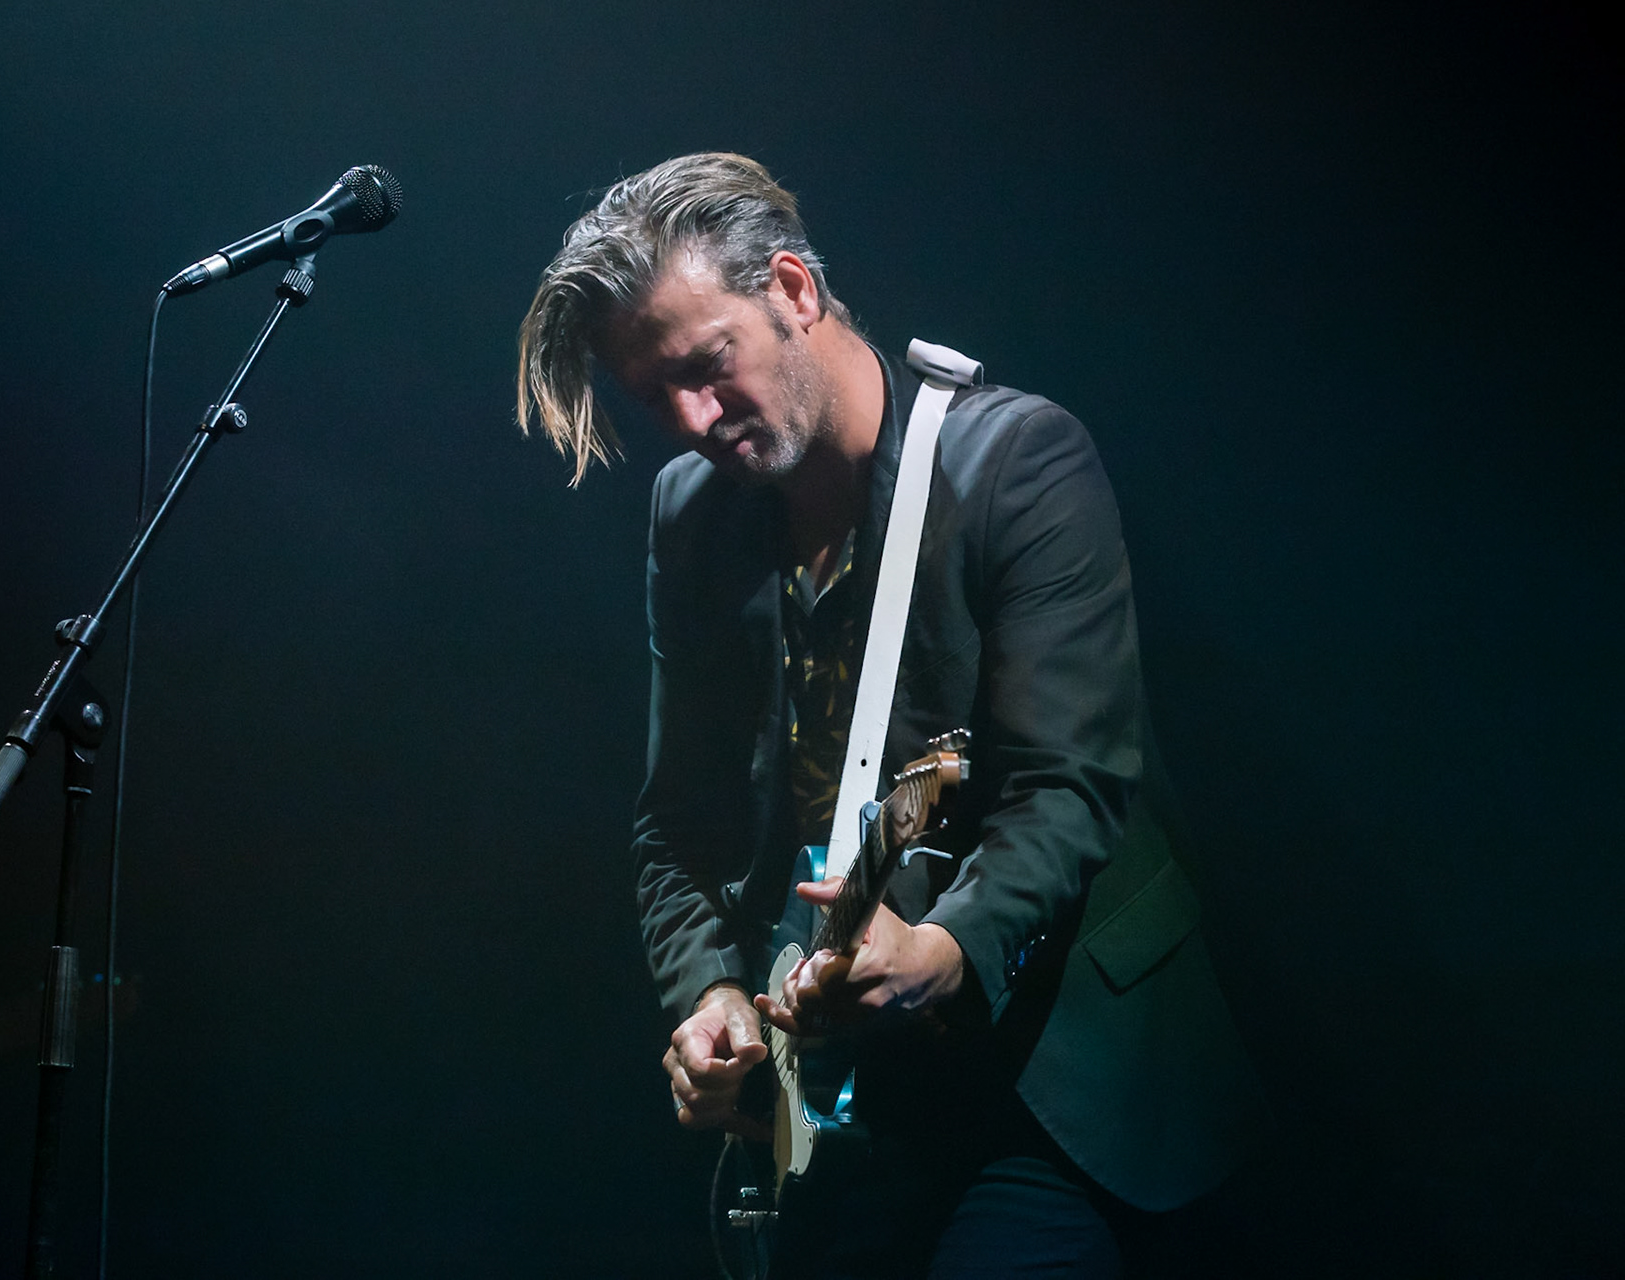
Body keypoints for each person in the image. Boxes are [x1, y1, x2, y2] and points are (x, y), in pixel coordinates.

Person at [517, 153, 1263, 1277]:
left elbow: (1071, 783)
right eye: (651, 395)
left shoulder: (1016, 460)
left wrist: (947, 945)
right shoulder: (692, 516)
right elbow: (678, 825)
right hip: (847, 1105)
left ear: (793, 290)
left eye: (706, 365)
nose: (691, 419)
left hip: (1051, 1075)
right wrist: (712, 995)